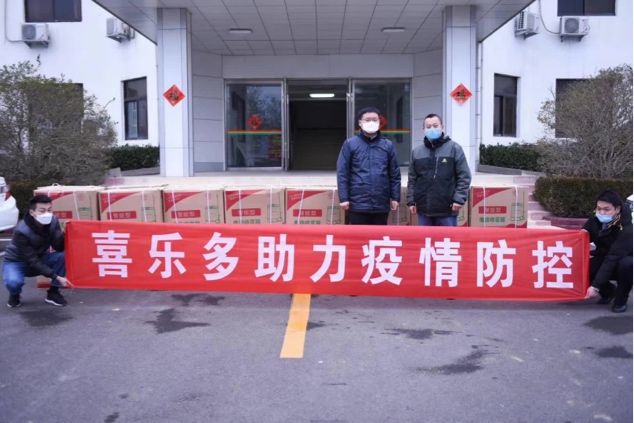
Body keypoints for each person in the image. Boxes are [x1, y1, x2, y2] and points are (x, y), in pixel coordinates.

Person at [3, 195, 72, 308]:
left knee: (62, 256)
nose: (47, 214)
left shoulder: (53, 221)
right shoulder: (21, 231)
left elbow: (58, 247)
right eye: (42, 211)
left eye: (49, 210)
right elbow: (32, 260)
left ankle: (53, 292)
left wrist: (64, 234)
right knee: (13, 282)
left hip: (40, 258)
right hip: (16, 262)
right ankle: (15, 294)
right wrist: (56, 277)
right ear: (32, 212)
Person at [337, 107, 401, 225]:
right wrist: (344, 198)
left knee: (379, 235)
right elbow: (342, 173)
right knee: (358, 235)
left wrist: (396, 197)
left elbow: (394, 174)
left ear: (379, 122)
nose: (371, 122)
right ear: (360, 122)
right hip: (358, 203)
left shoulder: (387, 145)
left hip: (381, 202)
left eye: (375, 120)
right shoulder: (350, 144)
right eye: (367, 120)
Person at [407, 113, 471, 226]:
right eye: (428, 127)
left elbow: (464, 176)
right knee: (426, 238)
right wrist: (411, 201)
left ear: (442, 127)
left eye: (435, 126)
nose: (432, 129)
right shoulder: (417, 152)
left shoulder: (454, 149)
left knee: (447, 238)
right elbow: (412, 179)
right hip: (424, 210)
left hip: (447, 210)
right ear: (423, 129)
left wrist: (458, 199)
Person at [584, 190, 633, 313]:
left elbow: (612, 258)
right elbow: (583, 235)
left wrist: (595, 286)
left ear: (617, 209)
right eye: (599, 208)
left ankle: (620, 300)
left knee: (627, 264)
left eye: (606, 210)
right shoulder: (595, 220)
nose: (601, 213)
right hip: (604, 255)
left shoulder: (627, 229)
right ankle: (609, 292)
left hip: (622, 259)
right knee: (585, 268)